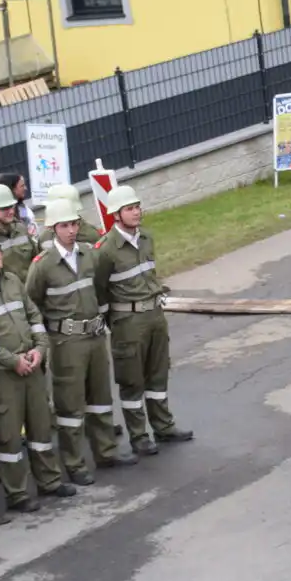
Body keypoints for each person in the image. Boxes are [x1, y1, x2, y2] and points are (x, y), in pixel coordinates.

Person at [26, 192, 134, 483]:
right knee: (70, 405)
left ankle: (106, 452)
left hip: (95, 336)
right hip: (67, 342)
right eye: (64, 225)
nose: (71, 230)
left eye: (74, 224)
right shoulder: (43, 265)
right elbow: (32, 303)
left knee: (100, 397)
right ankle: (74, 464)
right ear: (53, 229)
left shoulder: (89, 255)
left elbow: (99, 288)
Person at [0, 229, 67, 512]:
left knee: (40, 426)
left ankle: (49, 480)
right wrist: (13, 362)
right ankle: (17, 493)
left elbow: (33, 315)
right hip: (2, 375)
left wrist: (39, 349)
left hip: (31, 364)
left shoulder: (12, 280)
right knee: (8, 436)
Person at [93, 182, 189, 455]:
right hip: (128, 322)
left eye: (137, 206)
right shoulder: (105, 249)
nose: (136, 212)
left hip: (155, 315)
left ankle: (163, 426)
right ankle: (138, 436)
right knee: (132, 380)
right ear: (116, 214)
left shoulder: (146, 238)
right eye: (129, 208)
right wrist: (113, 321)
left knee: (158, 374)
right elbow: (99, 289)